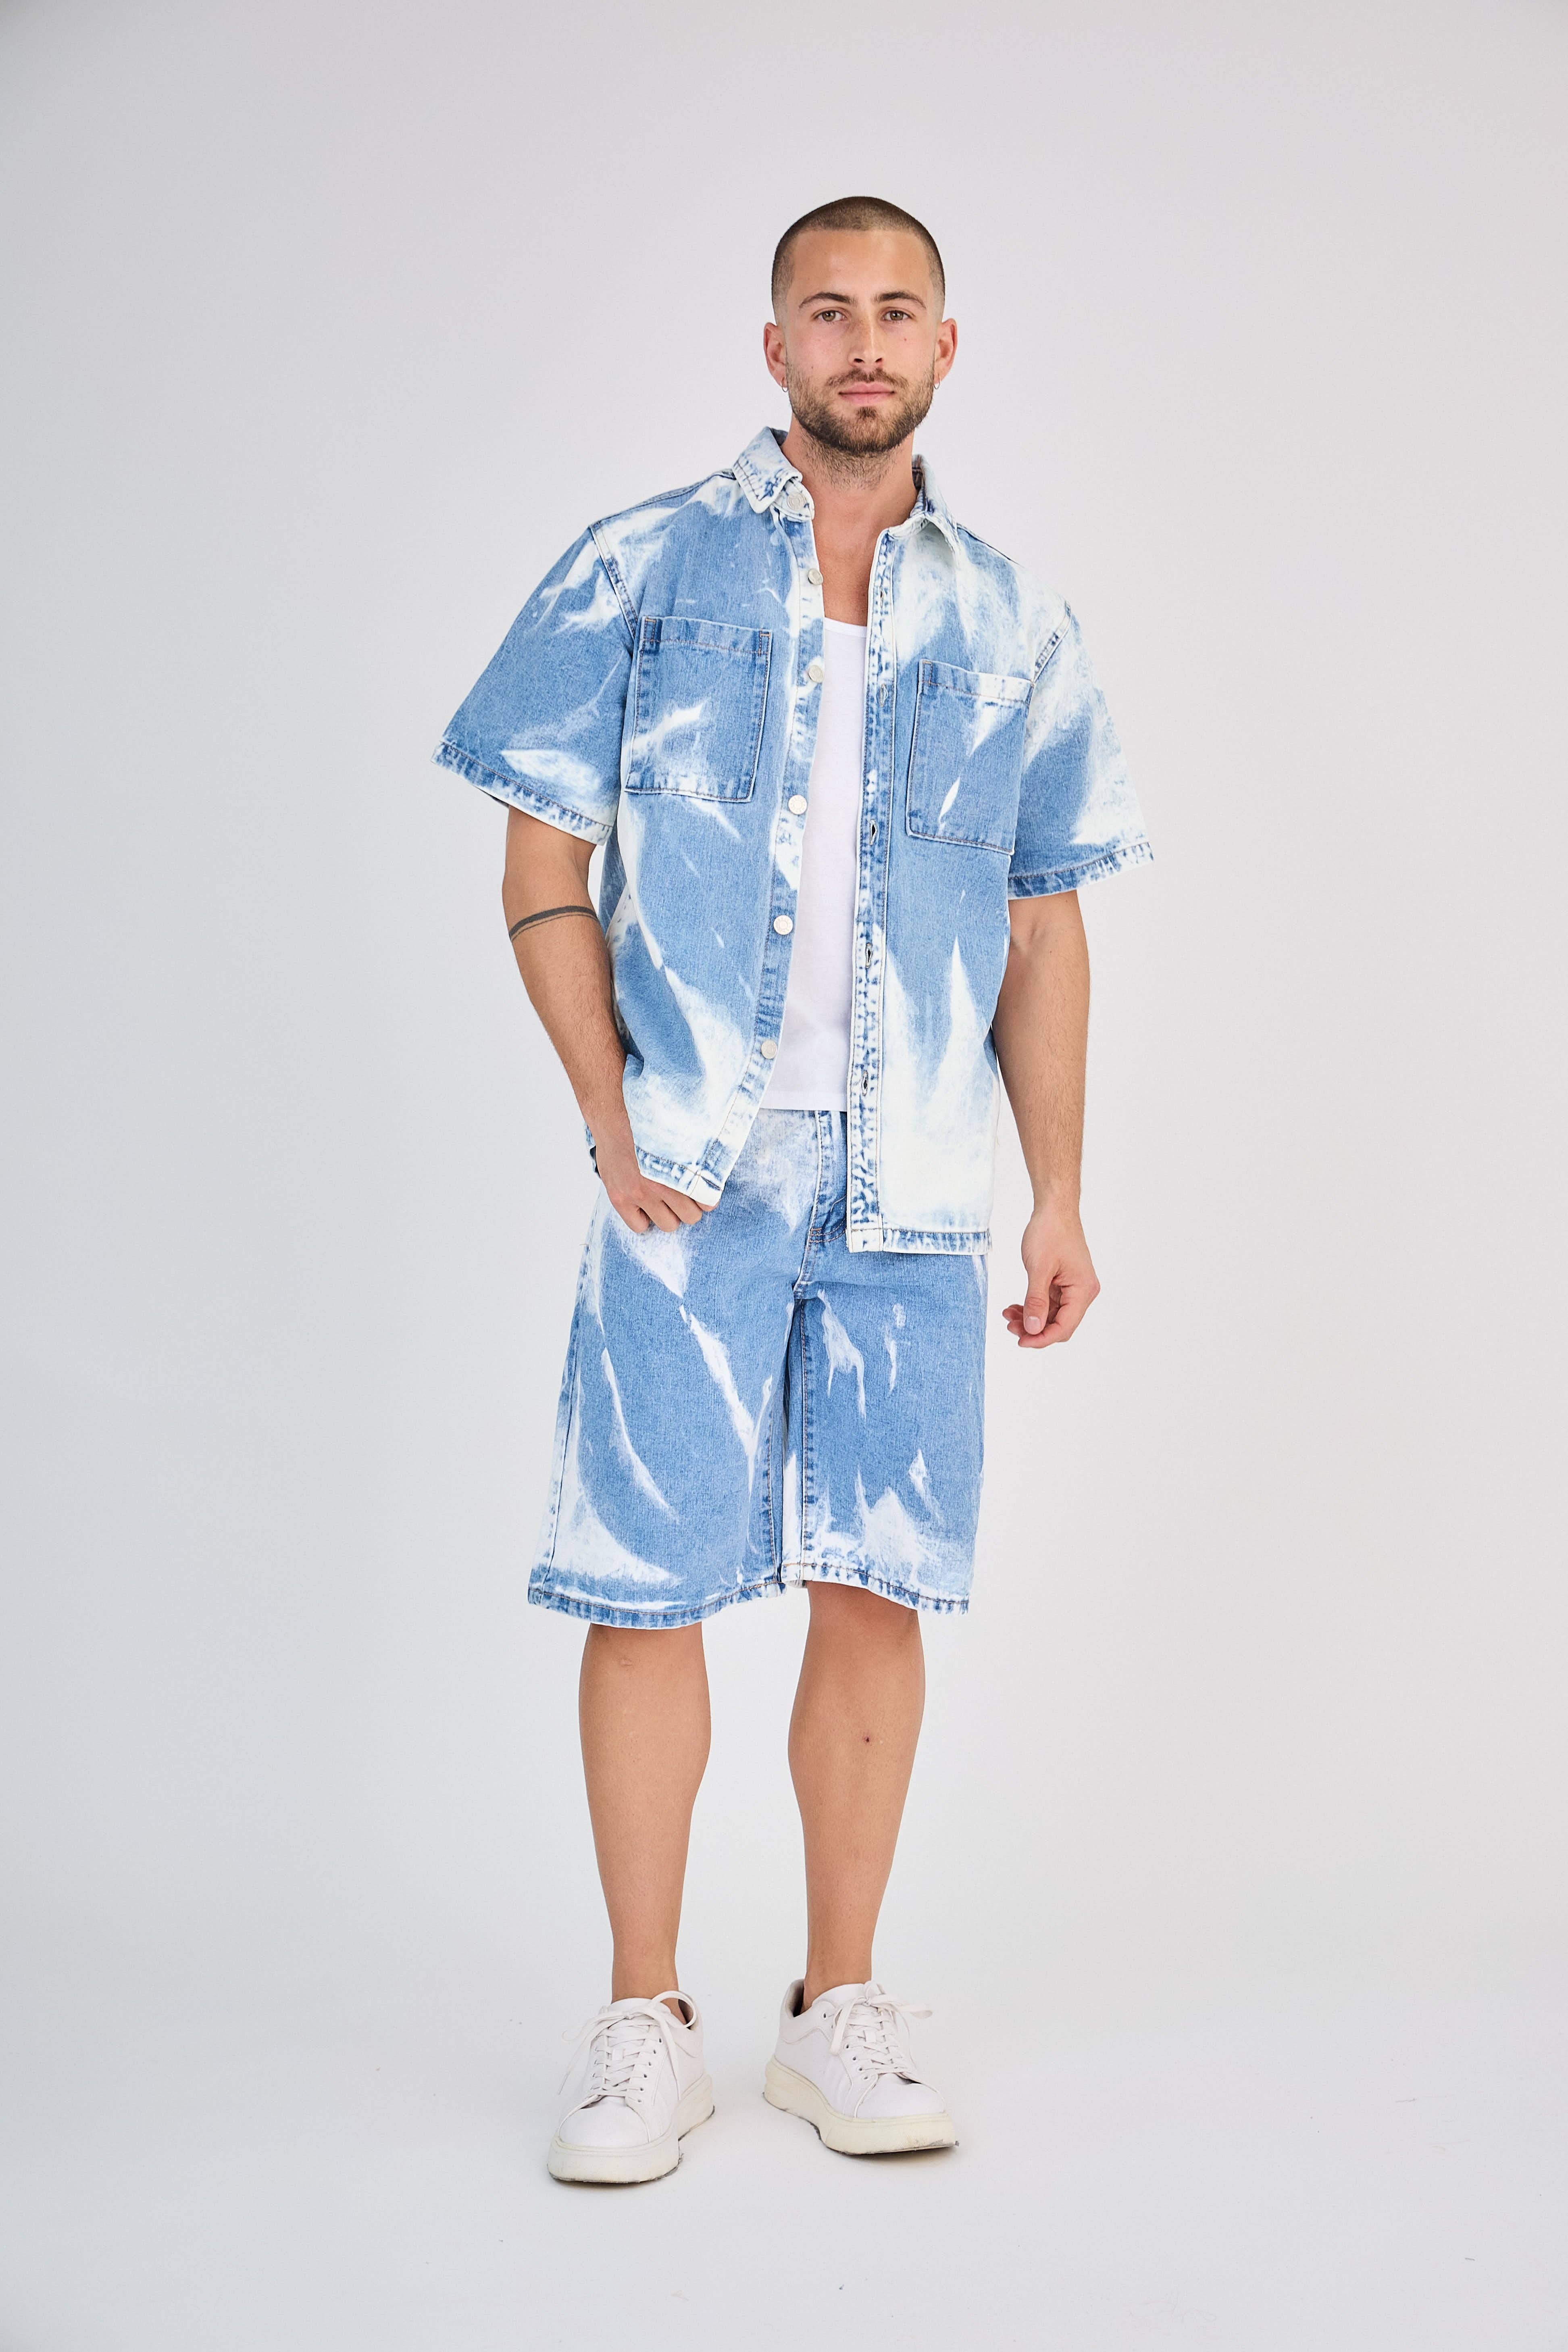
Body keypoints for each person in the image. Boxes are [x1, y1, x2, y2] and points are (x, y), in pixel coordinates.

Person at [434, 195, 1150, 2183]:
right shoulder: (636, 568)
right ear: (775, 348)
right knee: (643, 1578)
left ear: (945, 346)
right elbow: (541, 862)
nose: (864, 342)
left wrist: (1059, 1190)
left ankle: (839, 2007)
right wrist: (610, 1118)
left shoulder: (1013, 621)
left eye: (897, 311)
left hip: (915, 1180)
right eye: (826, 311)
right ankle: (642, 2018)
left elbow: (1045, 917)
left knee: (876, 1576)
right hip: (689, 1171)